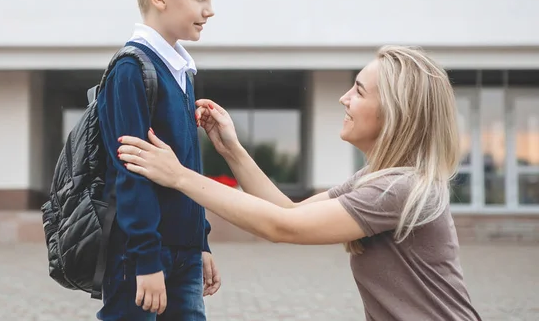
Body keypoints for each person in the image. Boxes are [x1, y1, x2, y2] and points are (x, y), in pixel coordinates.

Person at [117, 45, 484, 321]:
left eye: (358, 91)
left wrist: (179, 175)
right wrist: (232, 150)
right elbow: (287, 210)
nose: (344, 98)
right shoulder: (377, 179)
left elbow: (282, 227)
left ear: (395, 112)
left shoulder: (398, 189)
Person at [96, 0, 221, 321]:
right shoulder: (132, 69)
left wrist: (200, 242)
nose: (210, 10)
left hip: (183, 253)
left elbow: (188, 167)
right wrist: (146, 262)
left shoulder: (181, 71)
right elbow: (130, 173)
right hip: (139, 257)